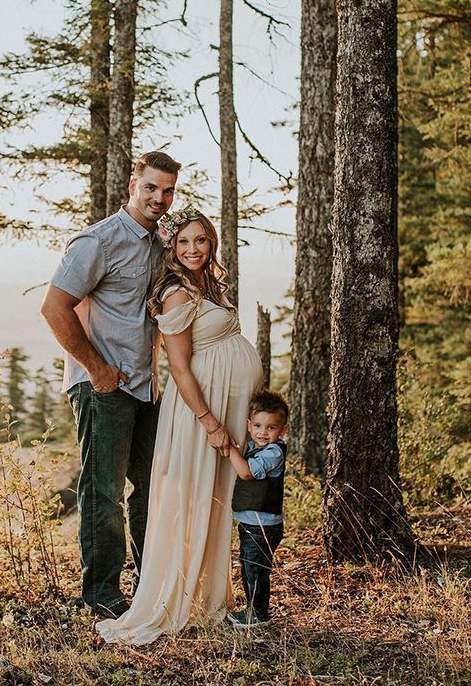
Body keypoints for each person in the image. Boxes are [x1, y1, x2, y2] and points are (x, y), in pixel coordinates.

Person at [96, 207, 263, 645]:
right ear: (172, 246)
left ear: (211, 244)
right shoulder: (173, 291)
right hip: (198, 412)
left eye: (201, 241)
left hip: (222, 406)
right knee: (191, 498)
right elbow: (181, 368)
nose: (193, 249)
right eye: (184, 241)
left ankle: (208, 598)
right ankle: (172, 597)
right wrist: (210, 423)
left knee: (215, 500)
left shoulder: (206, 283)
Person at [40, 151, 181, 619]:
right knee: (103, 491)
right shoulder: (98, 241)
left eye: (168, 191)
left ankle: (148, 586)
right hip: (103, 385)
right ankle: (101, 595)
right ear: (132, 185)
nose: (159, 198)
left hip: (144, 386)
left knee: (149, 488)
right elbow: (55, 308)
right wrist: (96, 369)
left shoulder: (157, 244)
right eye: (151, 188)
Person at [227, 390, 288, 627]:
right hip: (252, 522)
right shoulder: (255, 445)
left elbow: (246, 472)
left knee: (255, 569)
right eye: (258, 425)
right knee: (249, 564)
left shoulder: (274, 453)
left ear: (282, 430)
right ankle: (254, 609)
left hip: (263, 525)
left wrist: (229, 448)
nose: (263, 432)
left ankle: (258, 614)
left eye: (271, 427)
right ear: (249, 425)